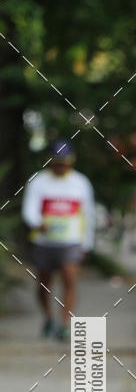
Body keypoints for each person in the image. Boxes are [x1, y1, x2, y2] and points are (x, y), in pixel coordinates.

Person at [22, 139, 95, 341]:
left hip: (71, 242)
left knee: (70, 278)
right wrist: (38, 223)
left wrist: (87, 243)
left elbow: (88, 215)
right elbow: (29, 209)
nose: (61, 165)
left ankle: (64, 324)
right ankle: (48, 318)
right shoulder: (38, 181)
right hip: (44, 242)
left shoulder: (81, 183)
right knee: (44, 283)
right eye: (57, 161)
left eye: (64, 161)